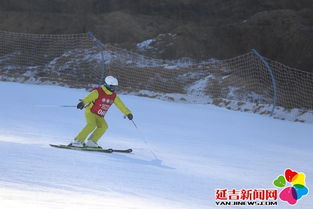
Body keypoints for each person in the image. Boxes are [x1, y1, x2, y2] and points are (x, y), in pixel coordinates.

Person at [70, 76, 133, 148]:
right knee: (91, 125)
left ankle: (91, 141)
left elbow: (120, 105)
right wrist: (83, 103)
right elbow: (89, 97)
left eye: (115, 87)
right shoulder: (98, 92)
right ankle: (77, 141)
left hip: (99, 114)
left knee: (103, 126)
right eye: (112, 86)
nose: (114, 88)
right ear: (107, 85)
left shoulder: (113, 96)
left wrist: (128, 113)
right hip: (91, 111)